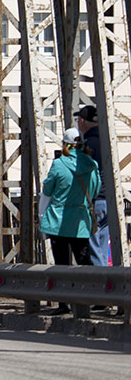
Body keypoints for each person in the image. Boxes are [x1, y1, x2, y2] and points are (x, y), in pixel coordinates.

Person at [40, 127, 101, 315]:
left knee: (61, 264)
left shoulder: (59, 165)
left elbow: (48, 190)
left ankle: (63, 304)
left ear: (65, 145)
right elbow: (96, 190)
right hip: (81, 220)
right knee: (83, 260)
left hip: (58, 220)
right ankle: (89, 298)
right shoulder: (92, 165)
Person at [73, 106, 111, 270]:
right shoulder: (106, 141)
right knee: (103, 244)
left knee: (93, 246)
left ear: (82, 121)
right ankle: (110, 282)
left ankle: (101, 287)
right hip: (108, 200)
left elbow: (79, 173)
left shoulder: (87, 145)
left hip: (93, 201)